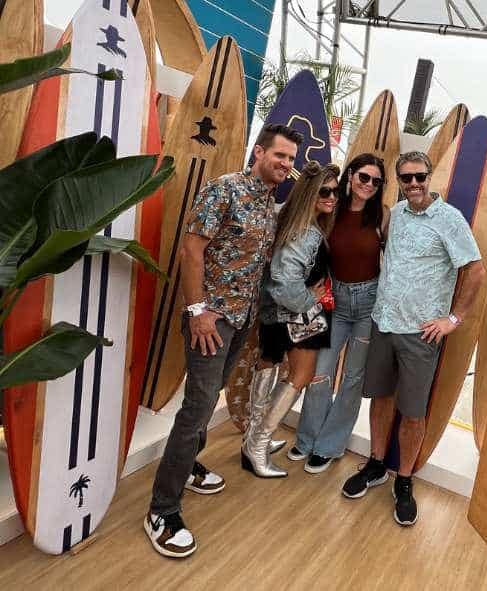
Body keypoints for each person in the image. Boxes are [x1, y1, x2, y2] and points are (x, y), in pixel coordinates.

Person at [144, 124, 300, 558]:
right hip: (210, 323)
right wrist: (197, 312)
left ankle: (189, 464)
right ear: (259, 151)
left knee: (206, 400)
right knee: (196, 409)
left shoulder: (269, 206)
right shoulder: (224, 189)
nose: (285, 165)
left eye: (290, 159)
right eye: (280, 155)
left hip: (239, 321)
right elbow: (191, 250)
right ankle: (162, 509)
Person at [340, 151, 486, 526]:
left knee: (414, 411)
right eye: (406, 179)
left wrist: (454, 318)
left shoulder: (449, 220)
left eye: (420, 177)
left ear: (430, 176)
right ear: (400, 182)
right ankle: (375, 464)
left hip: (420, 334)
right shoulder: (397, 216)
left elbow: (475, 270)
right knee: (381, 398)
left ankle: (403, 480)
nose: (415, 184)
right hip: (383, 323)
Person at [288, 153, 390, 474]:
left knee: (353, 379)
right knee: (320, 371)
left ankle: (329, 445)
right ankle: (307, 439)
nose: (368, 185)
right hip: (336, 301)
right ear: (350, 176)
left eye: (376, 181)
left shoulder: (382, 217)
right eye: (363, 177)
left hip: (369, 304)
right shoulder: (332, 211)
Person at [242, 160, 341, 479]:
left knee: (270, 363)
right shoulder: (308, 232)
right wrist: (309, 299)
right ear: (308, 193)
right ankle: (258, 444)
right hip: (299, 311)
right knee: (302, 375)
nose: (331, 197)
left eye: (335, 192)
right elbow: (286, 281)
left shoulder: (288, 219)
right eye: (324, 191)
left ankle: (253, 439)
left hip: (277, 311)